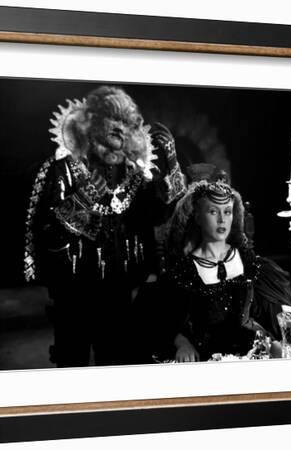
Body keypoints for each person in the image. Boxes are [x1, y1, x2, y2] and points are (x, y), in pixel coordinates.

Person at [23, 85, 186, 367]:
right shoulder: (61, 170)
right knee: (71, 364)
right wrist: (80, 203)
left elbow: (163, 214)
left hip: (121, 294)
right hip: (72, 296)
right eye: (112, 123)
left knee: (117, 363)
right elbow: (45, 234)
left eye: (125, 125)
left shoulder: (139, 175)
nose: (119, 132)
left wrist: (171, 161)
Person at [157, 169, 291, 362]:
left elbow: (278, 312)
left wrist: (288, 321)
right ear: (197, 217)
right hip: (208, 361)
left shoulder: (253, 264)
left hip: (255, 358)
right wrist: (181, 342)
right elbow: (164, 321)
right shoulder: (182, 272)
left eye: (227, 212)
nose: (222, 220)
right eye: (213, 211)